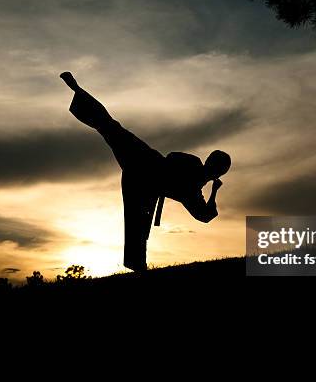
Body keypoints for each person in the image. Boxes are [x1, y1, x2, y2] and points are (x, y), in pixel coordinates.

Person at [60, 72, 231, 271]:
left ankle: (137, 265)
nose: (209, 163)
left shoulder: (193, 192)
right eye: (211, 160)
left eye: (213, 164)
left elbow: (205, 215)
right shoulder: (193, 173)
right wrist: (207, 186)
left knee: (138, 226)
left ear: (216, 171)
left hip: (144, 184)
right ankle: (77, 90)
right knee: (111, 128)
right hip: (145, 160)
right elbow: (172, 157)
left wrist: (213, 190)